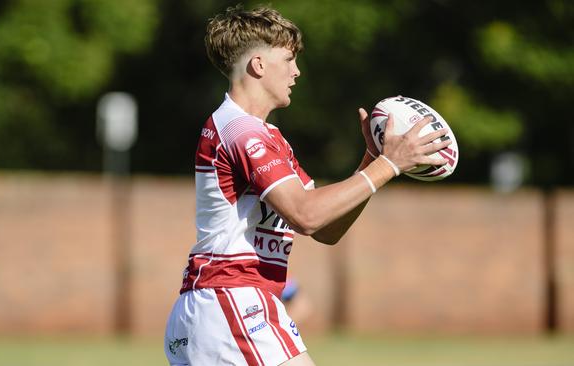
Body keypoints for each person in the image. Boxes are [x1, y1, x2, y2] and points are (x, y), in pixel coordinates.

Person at [164, 5, 450, 366]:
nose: (296, 71)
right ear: (258, 64)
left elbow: (325, 228)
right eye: (289, 59)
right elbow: (305, 216)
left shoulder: (265, 135)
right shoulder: (242, 131)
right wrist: (388, 165)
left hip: (226, 306)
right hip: (231, 301)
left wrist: (371, 161)